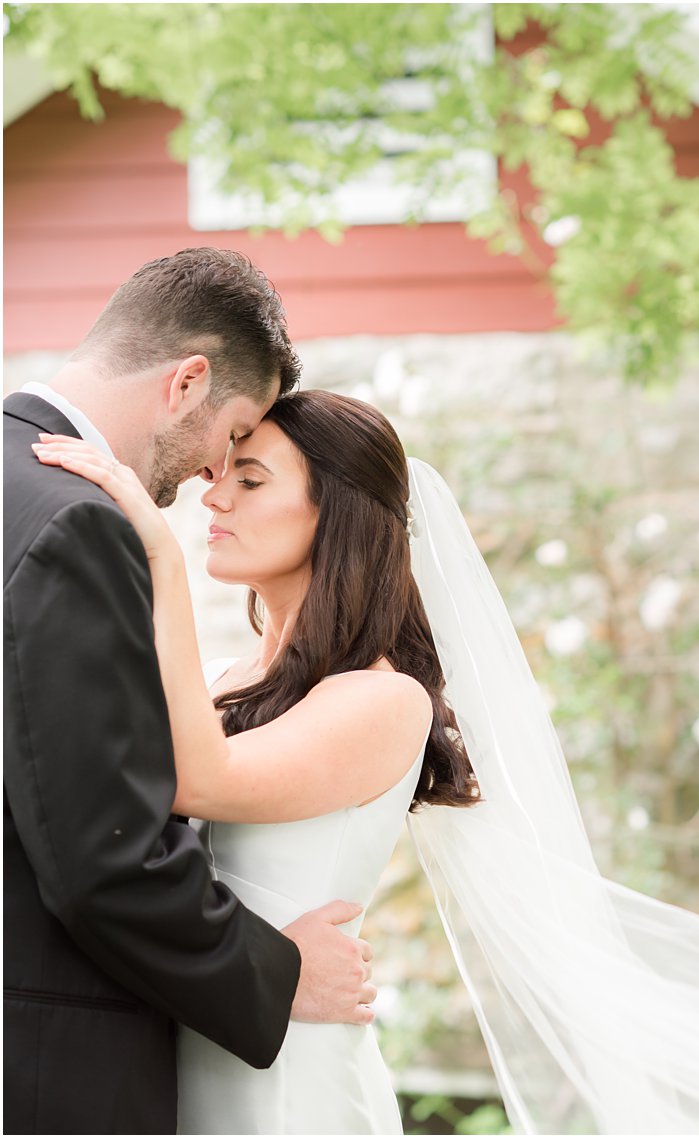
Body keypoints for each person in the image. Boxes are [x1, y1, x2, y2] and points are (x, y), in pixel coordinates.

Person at [35, 387, 699, 1134]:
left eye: (250, 480)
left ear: (336, 515)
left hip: (289, 1081)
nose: (213, 499)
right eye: (219, 476)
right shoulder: (217, 679)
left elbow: (200, 777)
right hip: (185, 1047)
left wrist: (157, 551)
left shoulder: (383, 701)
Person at [3, 249, 377, 1135]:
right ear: (187, 384)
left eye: (250, 470)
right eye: (234, 434)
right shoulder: (76, 524)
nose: (215, 474)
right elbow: (106, 851)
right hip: (49, 1065)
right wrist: (280, 973)